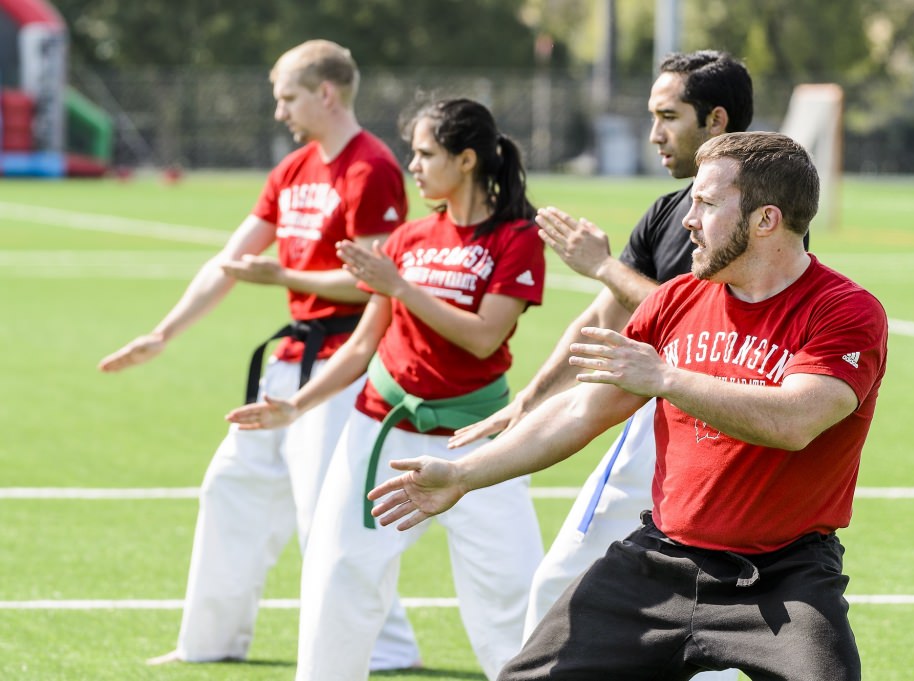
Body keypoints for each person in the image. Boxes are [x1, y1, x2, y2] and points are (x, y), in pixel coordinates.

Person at [370, 131, 888, 680]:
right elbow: (582, 411)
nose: (689, 220)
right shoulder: (675, 299)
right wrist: (463, 475)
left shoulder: (845, 311)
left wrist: (665, 377)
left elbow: (794, 419)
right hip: (661, 562)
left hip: (784, 580)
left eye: (707, 204)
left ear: (766, 220)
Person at [97, 40, 420, 670]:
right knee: (231, 487)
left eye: (288, 97)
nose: (279, 111)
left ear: (326, 93)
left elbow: (375, 279)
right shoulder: (295, 168)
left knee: (324, 511)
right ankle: (211, 642)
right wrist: (164, 333)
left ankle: (385, 647)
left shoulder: (370, 167)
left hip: (343, 363)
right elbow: (232, 260)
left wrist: (284, 277)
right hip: (290, 358)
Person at [452, 51, 757, 680]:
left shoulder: (756, 217)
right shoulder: (667, 212)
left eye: (668, 116)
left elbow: (702, 332)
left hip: (723, 437)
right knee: (568, 589)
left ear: (716, 119)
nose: (654, 133)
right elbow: (602, 319)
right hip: (652, 425)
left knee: (712, 627)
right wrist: (528, 400)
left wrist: (602, 265)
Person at [226, 98, 546, 681]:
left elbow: (482, 338)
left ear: (467, 159)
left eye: (425, 153)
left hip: (476, 441)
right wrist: (294, 406)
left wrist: (401, 286)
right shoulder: (407, 238)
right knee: (338, 573)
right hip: (379, 430)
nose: (413, 166)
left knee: (513, 592)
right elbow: (361, 344)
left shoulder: (517, 238)